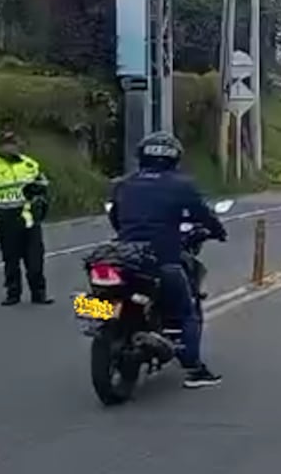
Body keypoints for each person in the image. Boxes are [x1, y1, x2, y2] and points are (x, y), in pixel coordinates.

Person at [110, 132, 226, 388]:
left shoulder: (124, 184)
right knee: (187, 312)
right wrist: (218, 231)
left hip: (124, 255)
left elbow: (116, 218)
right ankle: (195, 370)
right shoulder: (181, 185)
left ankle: (121, 322)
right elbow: (203, 215)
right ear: (175, 158)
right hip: (163, 258)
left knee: (98, 301)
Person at [0, 129, 53, 306]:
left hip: (29, 218)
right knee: (11, 260)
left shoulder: (29, 164)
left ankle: (39, 294)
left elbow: (43, 184)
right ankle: (13, 294)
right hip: (5, 220)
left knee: (35, 259)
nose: (15, 147)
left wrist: (41, 194)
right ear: (0, 147)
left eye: (16, 143)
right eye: (10, 144)